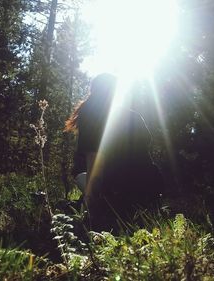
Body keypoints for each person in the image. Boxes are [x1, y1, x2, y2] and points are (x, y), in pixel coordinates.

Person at [64, 73, 163, 230]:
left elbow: (95, 169)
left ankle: (106, 209)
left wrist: (88, 214)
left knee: (81, 177)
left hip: (119, 195)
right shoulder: (134, 116)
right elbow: (145, 157)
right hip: (149, 191)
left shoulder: (91, 117)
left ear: (93, 91)